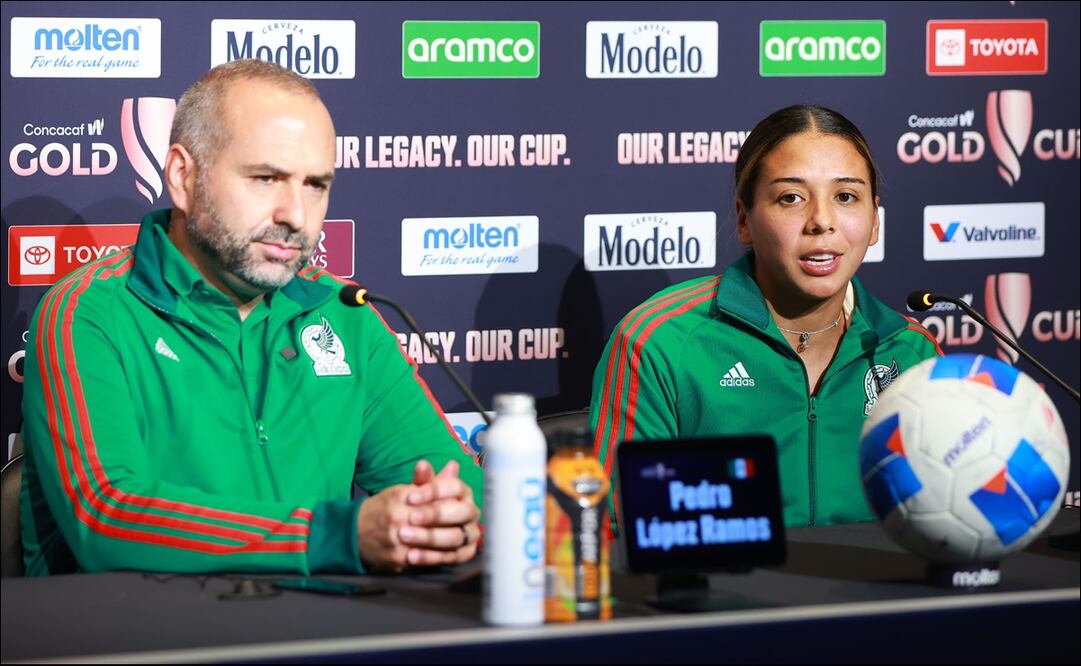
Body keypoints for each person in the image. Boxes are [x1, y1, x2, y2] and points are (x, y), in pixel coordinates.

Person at [20, 59, 482, 576]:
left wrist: (453, 516)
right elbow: (105, 518)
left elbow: (461, 489)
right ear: (181, 176)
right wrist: (336, 536)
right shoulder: (91, 313)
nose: (297, 216)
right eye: (267, 178)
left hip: (329, 638)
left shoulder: (345, 314)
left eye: (315, 185)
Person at [591, 104, 941, 528]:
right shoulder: (659, 342)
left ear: (874, 222)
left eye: (846, 196)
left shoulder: (912, 352)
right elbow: (613, 528)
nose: (822, 222)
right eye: (791, 197)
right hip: (718, 592)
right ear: (744, 220)